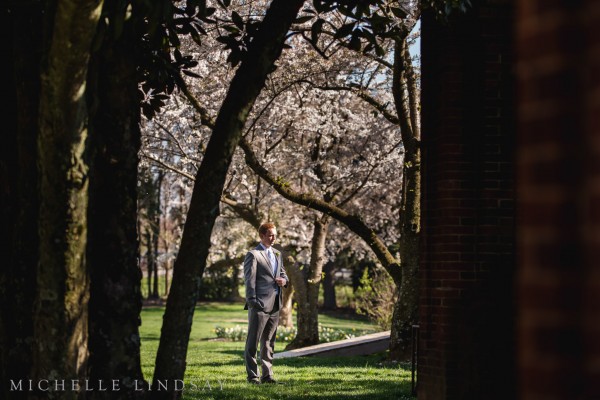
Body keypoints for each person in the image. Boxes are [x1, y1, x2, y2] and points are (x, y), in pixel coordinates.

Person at [243, 222, 288, 384]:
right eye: (270, 235)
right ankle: (253, 376)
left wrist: (284, 280)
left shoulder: (277, 254)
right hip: (259, 306)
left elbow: (284, 275)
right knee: (252, 343)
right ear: (262, 236)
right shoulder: (253, 254)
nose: (273, 238)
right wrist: (253, 302)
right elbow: (249, 281)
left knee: (269, 342)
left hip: (275, 305)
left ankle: (267, 376)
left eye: (275, 234)